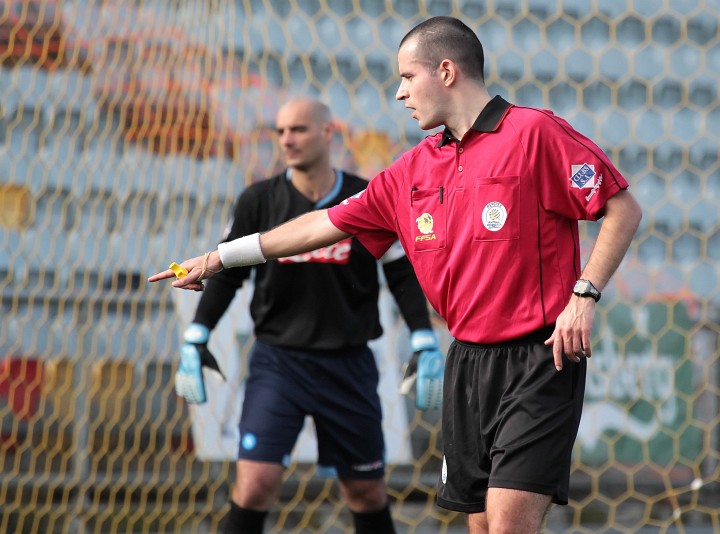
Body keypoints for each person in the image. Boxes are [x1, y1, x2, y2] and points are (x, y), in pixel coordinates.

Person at [150, 17, 642, 534]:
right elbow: (323, 224)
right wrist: (222, 257)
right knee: (480, 527)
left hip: (539, 358)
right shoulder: (412, 169)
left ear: (446, 71)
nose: (399, 92)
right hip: (468, 362)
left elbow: (621, 208)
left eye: (408, 77)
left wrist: (583, 295)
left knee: (507, 526)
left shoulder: (534, 133)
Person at [170, 97, 443, 534]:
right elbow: (227, 276)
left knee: (366, 492)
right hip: (279, 363)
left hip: (349, 365)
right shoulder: (259, 200)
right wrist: (196, 336)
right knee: (255, 484)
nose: (287, 140)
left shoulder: (367, 197)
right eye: (280, 132)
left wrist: (423, 339)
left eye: (297, 129)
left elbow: (400, 273)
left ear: (328, 132)